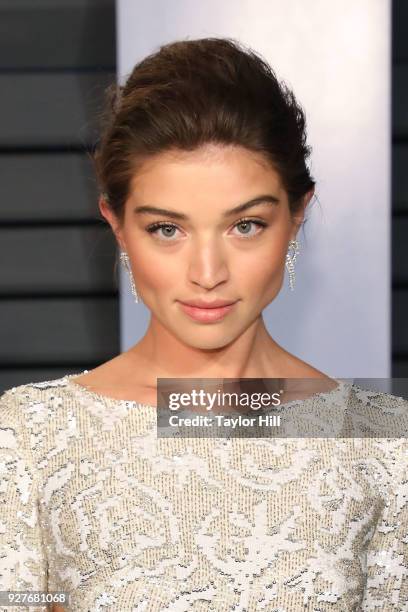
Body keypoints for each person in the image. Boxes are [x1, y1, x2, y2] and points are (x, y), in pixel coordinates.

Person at [0, 37, 407, 611]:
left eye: (245, 226)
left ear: (296, 218)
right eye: (168, 229)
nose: (208, 273)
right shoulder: (28, 439)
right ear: (117, 226)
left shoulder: (384, 442)